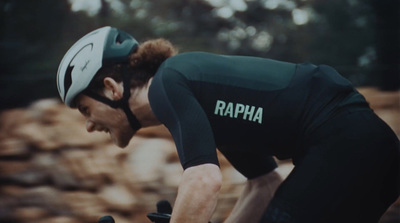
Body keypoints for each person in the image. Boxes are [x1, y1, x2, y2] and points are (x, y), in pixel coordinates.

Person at [57, 26, 399, 223]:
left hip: (344, 144)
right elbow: (263, 184)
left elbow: (202, 180)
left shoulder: (167, 85)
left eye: (85, 109)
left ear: (111, 89)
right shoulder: (197, 92)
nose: (88, 126)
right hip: (366, 148)